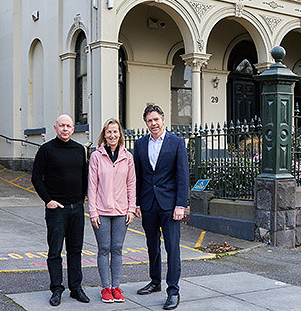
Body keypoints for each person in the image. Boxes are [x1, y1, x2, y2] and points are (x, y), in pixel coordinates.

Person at [133, 104, 189, 310]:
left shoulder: (177, 143)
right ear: (146, 123)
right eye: (149, 121)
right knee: (152, 245)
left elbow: (183, 176)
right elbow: (137, 177)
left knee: (172, 248)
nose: (153, 123)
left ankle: (173, 290)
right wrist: (137, 203)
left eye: (156, 119)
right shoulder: (139, 144)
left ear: (163, 120)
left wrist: (181, 205)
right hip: (148, 204)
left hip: (170, 205)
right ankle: (155, 281)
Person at [31, 114, 90, 306]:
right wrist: (48, 201)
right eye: (62, 126)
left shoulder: (80, 150)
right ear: (55, 128)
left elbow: (85, 175)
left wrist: (82, 198)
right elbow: (36, 178)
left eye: (69, 126)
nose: (65, 129)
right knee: (55, 251)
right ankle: (56, 289)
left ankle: (76, 288)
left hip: (76, 209)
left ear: (73, 129)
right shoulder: (46, 150)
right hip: (57, 210)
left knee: (75, 250)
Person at [88, 118, 136, 304]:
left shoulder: (127, 157)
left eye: (115, 132)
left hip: (122, 212)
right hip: (101, 210)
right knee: (103, 249)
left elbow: (131, 184)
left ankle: (116, 287)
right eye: (109, 132)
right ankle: (105, 287)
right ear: (104, 135)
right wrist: (93, 212)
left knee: (117, 249)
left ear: (120, 134)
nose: (112, 135)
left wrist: (131, 209)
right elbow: (92, 187)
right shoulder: (96, 156)